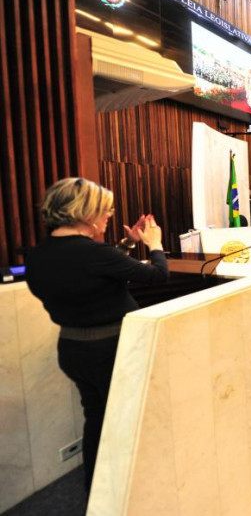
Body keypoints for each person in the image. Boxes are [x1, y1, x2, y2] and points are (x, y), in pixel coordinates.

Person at [25, 178, 169, 493]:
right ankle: (130, 493)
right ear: (85, 213)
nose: (109, 216)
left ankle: (98, 491)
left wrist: (128, 245)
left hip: (73, 350)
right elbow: (158, 275)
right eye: (105, 210)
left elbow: (90, 273)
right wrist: (155, 244)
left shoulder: (37, 255)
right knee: (124, 423)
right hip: (111, 350)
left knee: (97, 420)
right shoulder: (95, 254)